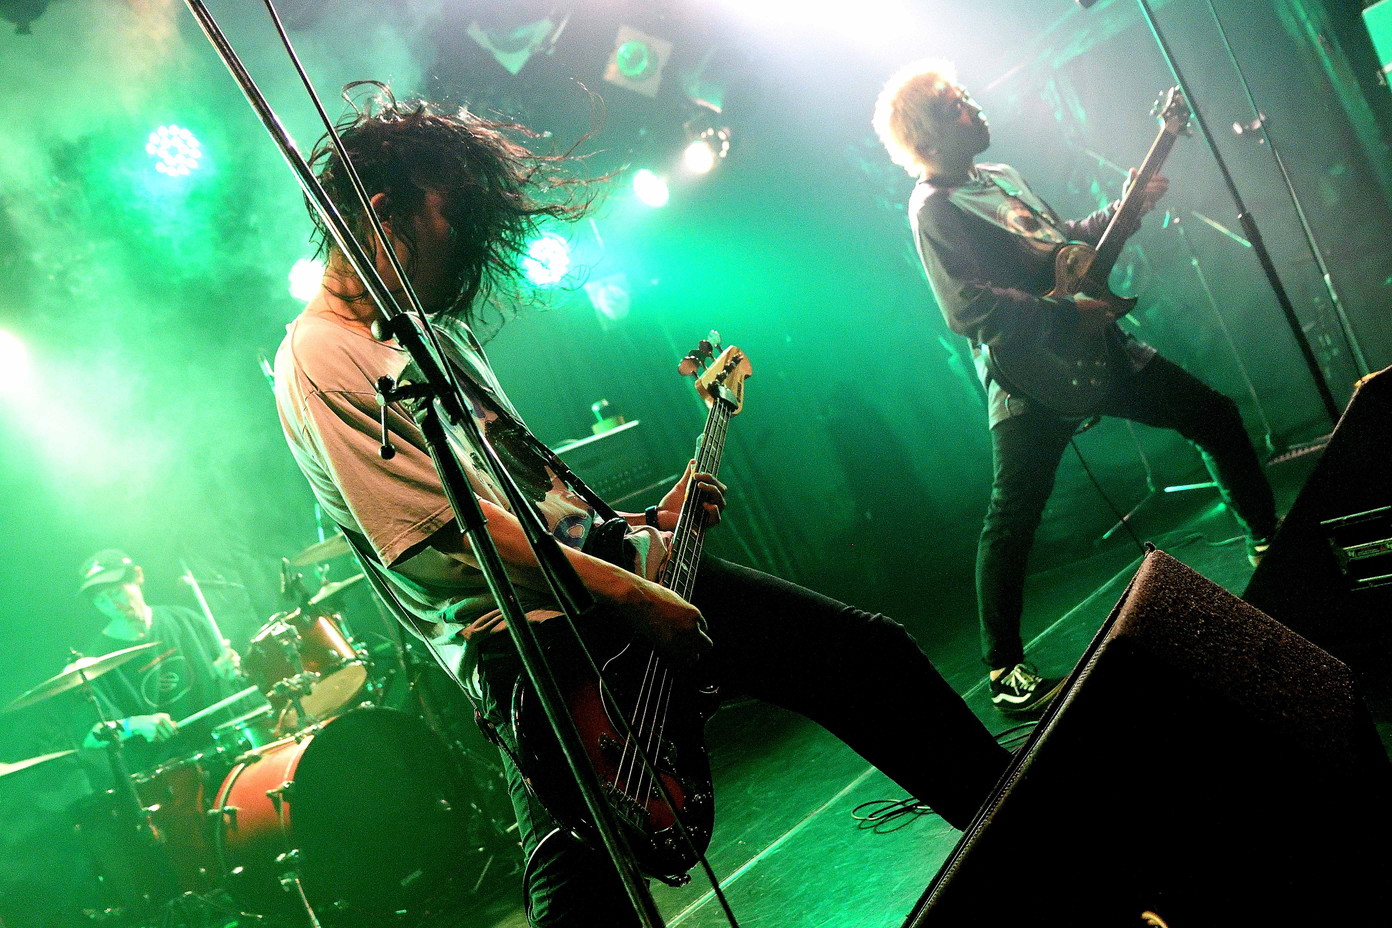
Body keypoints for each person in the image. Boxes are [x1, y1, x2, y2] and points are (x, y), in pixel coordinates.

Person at [273, 87, 1011, 927]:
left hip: (602, 589)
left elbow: (524, 498)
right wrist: (632, 591)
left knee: (865, 661)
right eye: (453, 220)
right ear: (382, 214)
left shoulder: (431, 335)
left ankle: (1036, 836)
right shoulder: (321, 356)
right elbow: (449, 535)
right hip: (538, 646)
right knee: (585, 884)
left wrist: (640, 530)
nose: (467, 247)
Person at [872, 62, 1279, 717]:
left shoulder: (1001, 177)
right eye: (954, 104)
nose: (973, 105)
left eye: (967, 94)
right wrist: (1063, 315)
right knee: (1012, 516)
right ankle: (1004, 671)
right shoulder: (934, 208)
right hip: (1029, 377)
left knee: (1213, 414)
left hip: (1096, 347)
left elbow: (1068, 251)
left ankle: (1267, 543)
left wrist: (1125, 208)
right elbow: (967, 307)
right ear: (926, 133)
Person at [72, 548, 244, 770]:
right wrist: (134, 724)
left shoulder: (185, 620)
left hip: (227, 744)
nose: (114, 606)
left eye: (116, 592)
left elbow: (232, 679)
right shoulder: (96, 661)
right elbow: (91, 736)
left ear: (138, 576)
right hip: (171, 771)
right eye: (101, 601)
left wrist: (227, 672)